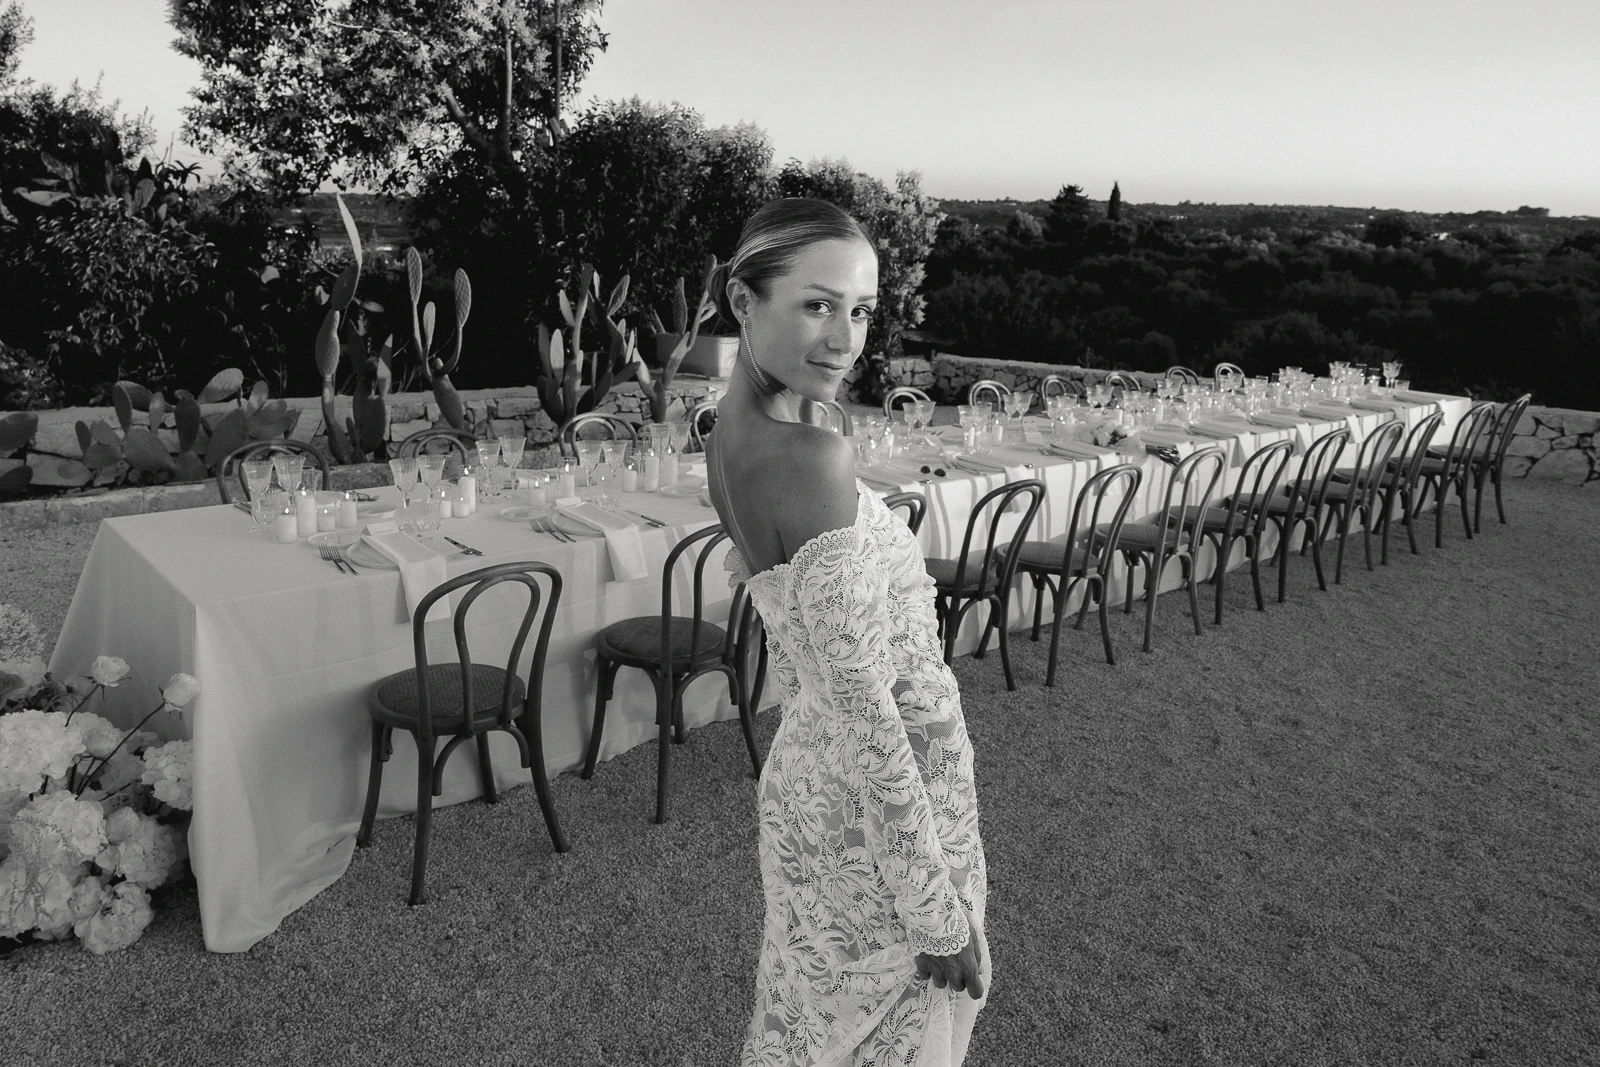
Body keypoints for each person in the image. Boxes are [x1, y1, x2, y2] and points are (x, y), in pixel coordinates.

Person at [705, 198, 990, 1066]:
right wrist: (934, 913)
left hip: (816, 784)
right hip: (875, 815)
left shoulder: (731, 433)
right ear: (741, 300)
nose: (845, 338)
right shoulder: (810, 458)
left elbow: (805, 639)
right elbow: (867, 708)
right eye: (818, 304)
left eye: (860, 310)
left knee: (808, 1026)